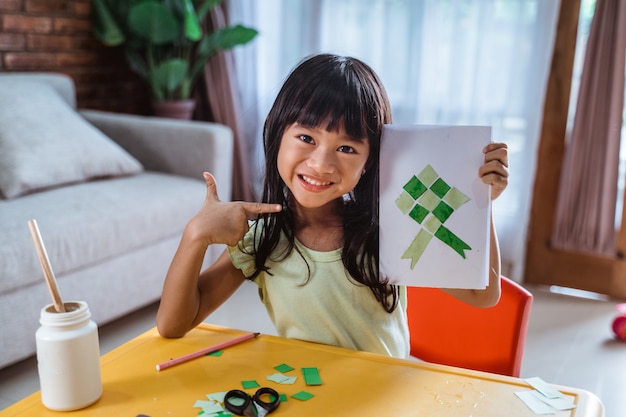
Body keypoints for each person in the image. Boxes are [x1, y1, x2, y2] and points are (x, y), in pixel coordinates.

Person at [156, 53, 509, 358]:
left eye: (346, 148)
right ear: (277, 133)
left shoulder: (388, 227)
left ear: (371, 160)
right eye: (306, 138)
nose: (322, 164)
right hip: (310, 396)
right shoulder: (261, 238)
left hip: (383, 398)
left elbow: (483, 294)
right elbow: (173, 325)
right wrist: (195, 235)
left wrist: (482, 204)